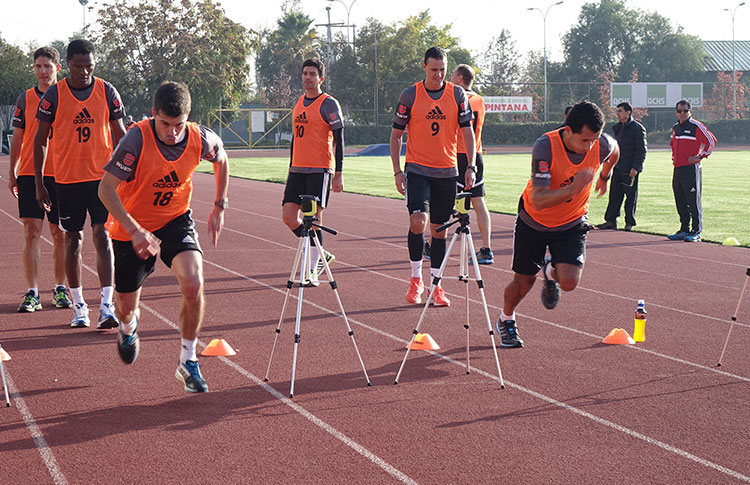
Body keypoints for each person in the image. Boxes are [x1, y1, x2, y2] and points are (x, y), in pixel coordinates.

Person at [98, 81, 229, 393]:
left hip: (175, 220)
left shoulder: (200, 137)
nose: (172, 132)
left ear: (188, 117)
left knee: (194, 282)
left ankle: (188, 360)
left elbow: (222, 158)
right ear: (153, 114)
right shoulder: (136, 140)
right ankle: (129, 328)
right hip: (131, 227)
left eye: (178, 124)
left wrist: (219, 205)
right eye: (165, 124)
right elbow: (105, 189)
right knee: (125, 308)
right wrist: (134, 230)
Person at [497, 101, 619, 348]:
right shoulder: (546, 147)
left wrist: (605, 176)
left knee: (569, 281)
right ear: (567, 131)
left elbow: (614, 150)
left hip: (572, 222)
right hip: (535, 221)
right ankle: (506, 318)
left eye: (594, 140)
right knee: (523, 283)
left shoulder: (601, 144)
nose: (589, 146)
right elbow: (540, 200)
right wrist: (575, 187)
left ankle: (550, 271)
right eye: (584, 140)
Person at [34, 39, 127, 329]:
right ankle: (79, 307)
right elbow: (39, 140)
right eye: (78, 66)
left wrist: (126, 172)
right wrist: (39, 182)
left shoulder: (107, 90)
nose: (84, 72)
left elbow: (121, 134)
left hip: (102, 181)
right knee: (72, 239)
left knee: (103, 236)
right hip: (67, 180)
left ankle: (107, 306)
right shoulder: (54, 95)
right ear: (68, 66)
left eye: (89, 66)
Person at [390, 46, 476, 307]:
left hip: (447, 172)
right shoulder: (410, 95)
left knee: (439, 231)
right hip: (417, 169)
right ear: (424, 67)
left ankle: (436, 285)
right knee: (418, 222)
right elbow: (396, 136)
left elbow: (467, 132)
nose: (439, 74)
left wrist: (470, 166)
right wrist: (397, 170)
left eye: (443, 70)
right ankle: (416, 279)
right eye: (434, 69)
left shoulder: (458, 94)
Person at [8, 46, 72, 313]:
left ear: (58, 68)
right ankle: (32, 292)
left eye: (48, 66)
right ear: (34, 68)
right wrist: (13, 171)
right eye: (38, 66)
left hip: (61, 173)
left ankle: (59, 289)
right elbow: (18, 137)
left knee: (60, 234)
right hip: (30, 173)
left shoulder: (69, 96)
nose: (43, 71)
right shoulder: (25, 98)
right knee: (32, 233)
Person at [281, 58, 343, 286]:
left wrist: (339, 172)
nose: (308, 77)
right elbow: (295, 141)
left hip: (320, 169)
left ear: (321, 78)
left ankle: (313, 270)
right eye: (305, 73)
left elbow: (339, 138)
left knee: (314, 221)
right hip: (298, 169)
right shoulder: (298, 103)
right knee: (289, 217)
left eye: (312, 74)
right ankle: (322, 254)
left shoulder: (329, 104)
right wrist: (289, 169)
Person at [450, 64, 493, 264]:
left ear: (459, 78)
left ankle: (432, 245)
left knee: (442, 198)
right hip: (476, 155)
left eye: (452, 75)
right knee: (478, 201)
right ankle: (486, 248)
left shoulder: (456, 98)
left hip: (457, 154)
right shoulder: (479, 100)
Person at [667, 100, 716, 242]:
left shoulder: (696, 126)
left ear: (690, 112)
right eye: (679, 111)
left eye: (685, 111)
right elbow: (673, 144)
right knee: (680, 199)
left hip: (691, 169)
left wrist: (700, 156)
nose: (682, 113)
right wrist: (674, 157)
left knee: (693, 201)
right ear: (676, 112)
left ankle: (696, 231)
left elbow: (711, 141)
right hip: (677, 168)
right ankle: (684, 229)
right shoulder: (676, 127)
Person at [596, 102, 647, 231]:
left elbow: (641, 150)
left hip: (630, 168)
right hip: (618, 167)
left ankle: (629, 222)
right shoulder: (617, 128)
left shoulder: (637, 128)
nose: (617, 114)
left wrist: (636, 167)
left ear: (628, 112)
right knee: (614, 194)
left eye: (620, 111)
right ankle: (611, 220)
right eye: (617, 111)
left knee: (630, 196)